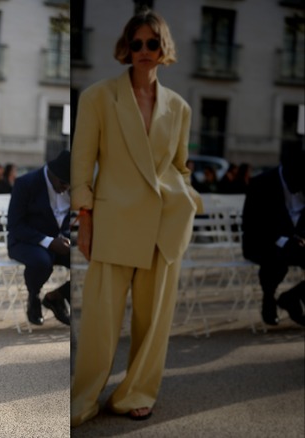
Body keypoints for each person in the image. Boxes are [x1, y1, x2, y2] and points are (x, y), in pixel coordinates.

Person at [70, 8, 203, 426]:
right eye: (137, 43)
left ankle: (136, 393)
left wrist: (188, 198)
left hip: (165, 225)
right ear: (126, 48)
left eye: (153, 43)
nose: (144, 50)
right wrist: (85, 221)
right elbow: (82, 163)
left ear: (164, 50)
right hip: (113, 222)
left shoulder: (179, 107)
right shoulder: (97, 96)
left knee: (154, 322)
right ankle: (84, 398)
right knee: (99, 323)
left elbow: (180, 166)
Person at [7, 150, 71, 327]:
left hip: (60, 242)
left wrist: (68, 239)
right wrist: (49, 242)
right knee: (41, 261)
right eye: (64, 184)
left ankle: (57, 297)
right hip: (26, 242)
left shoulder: (70, 188)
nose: (66, 189)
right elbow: (15, 225)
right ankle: (34, 296)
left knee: (90, 263)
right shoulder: (26, 184)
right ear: (52, 175)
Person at [242, 148, 304, 326]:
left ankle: (292, 297)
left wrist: (301, 239)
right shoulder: (261, 184)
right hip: (263, 241)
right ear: (288, 170)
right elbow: (252, 226)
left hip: (297, 242)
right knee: (275, 258)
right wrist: (283, 241)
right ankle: (268, 298)